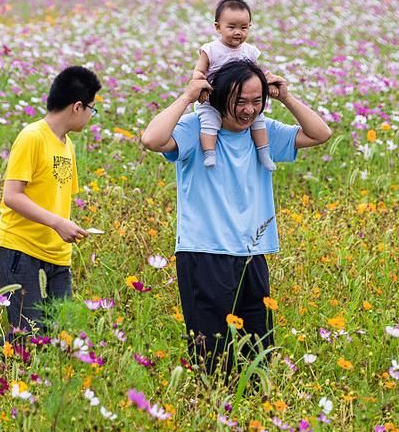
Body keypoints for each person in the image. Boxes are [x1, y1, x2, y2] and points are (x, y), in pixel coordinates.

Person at [141, 59, 332, 378]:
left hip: (252, 253)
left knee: (258, 348)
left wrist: (286, 97)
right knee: (211, 352)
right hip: (205, 252)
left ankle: (251, 415)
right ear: (218, 98)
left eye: (257, 101)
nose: (248, 110)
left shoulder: (263, 133)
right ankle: (213, 410)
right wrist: (187, 97)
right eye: (239, 101)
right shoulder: (197, 128)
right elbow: (151, 139)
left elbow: (320, 133)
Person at [0, 65, 101, 343]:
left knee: (60, 333)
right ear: (77, 107)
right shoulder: (32, 137)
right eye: (92, 109)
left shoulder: (67, 145)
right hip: (20, 249)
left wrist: (67, 227)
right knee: (27, 334)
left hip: (57, 252)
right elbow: (12, 196)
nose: (91, 116)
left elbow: (58, 197)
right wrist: (56, 223)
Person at [191, 0, 276, 171]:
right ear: (217, 27)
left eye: (243, 28)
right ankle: (209, 153)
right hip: (213, 99)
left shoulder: (250, 51)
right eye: (231, 27)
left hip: (241, 100)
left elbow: (257, 74)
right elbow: (198, 72)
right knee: (209, 122)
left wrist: (270, 83)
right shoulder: (211, 49)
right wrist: (200, 84)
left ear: (249, 27)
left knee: (258, 120)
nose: (238, 32)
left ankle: (264, 152)